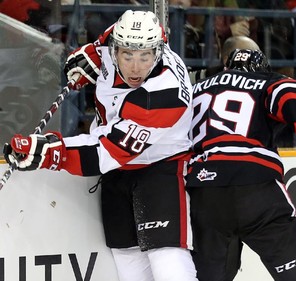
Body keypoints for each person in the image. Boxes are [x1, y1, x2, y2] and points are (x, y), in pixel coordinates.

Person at [3, 10, 198, 281]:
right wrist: (92, 54)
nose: (136, 67)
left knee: (166, 256)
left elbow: (108, 151)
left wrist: (51, 152)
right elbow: (107, 38)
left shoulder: (164, 95)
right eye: (127, 55)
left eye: (145, 57)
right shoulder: (114, 41)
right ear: (115, 48)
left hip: (159, 168)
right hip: (117, 174)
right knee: (127, 255)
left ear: (159, 52)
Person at [186, 48, 296, 281]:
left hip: (204, 191)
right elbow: (292, 95)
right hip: (256, 185)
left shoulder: (194, 89)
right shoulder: (267, 81)